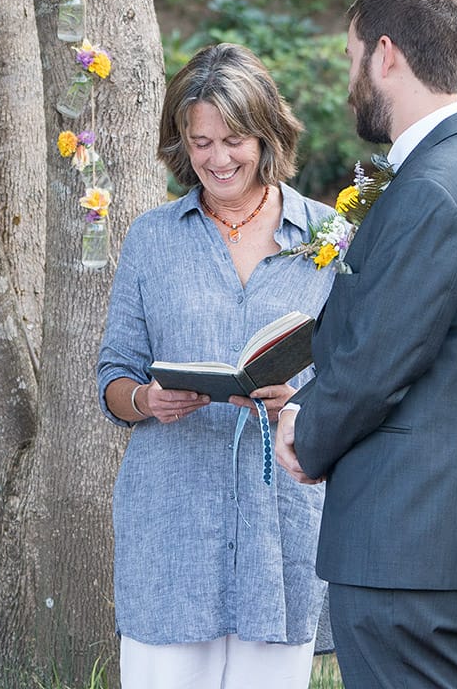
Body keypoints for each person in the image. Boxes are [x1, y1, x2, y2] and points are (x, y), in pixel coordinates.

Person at [274, 0, 457, 688]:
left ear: (385, 54)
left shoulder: (432, 190)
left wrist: (306, 427)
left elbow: (380, 360)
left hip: (411, 539)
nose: (349, 80)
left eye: (350, 57)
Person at [97, 42, 335, 688]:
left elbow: (358, 373)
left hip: (280, 516)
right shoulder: (152, 238)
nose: (217, 159)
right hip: (172, 515)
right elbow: (113, 373)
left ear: (267, 135)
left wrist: (301, 403)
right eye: (200, 142)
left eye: (234, 139)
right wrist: (146, 400)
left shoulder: (330, 238)